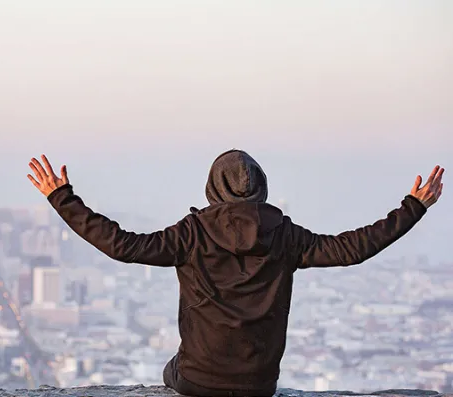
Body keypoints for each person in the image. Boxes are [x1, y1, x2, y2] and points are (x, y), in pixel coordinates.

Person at [27, 150, 444, 397]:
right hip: (259, 385)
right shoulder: (285, 236)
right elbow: (354, 249)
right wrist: (414, 207)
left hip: (196, 381)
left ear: (212, 188)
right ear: (261, 186)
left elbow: (122, 245)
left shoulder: (191, 234)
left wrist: (61, 197)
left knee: (169, 370)